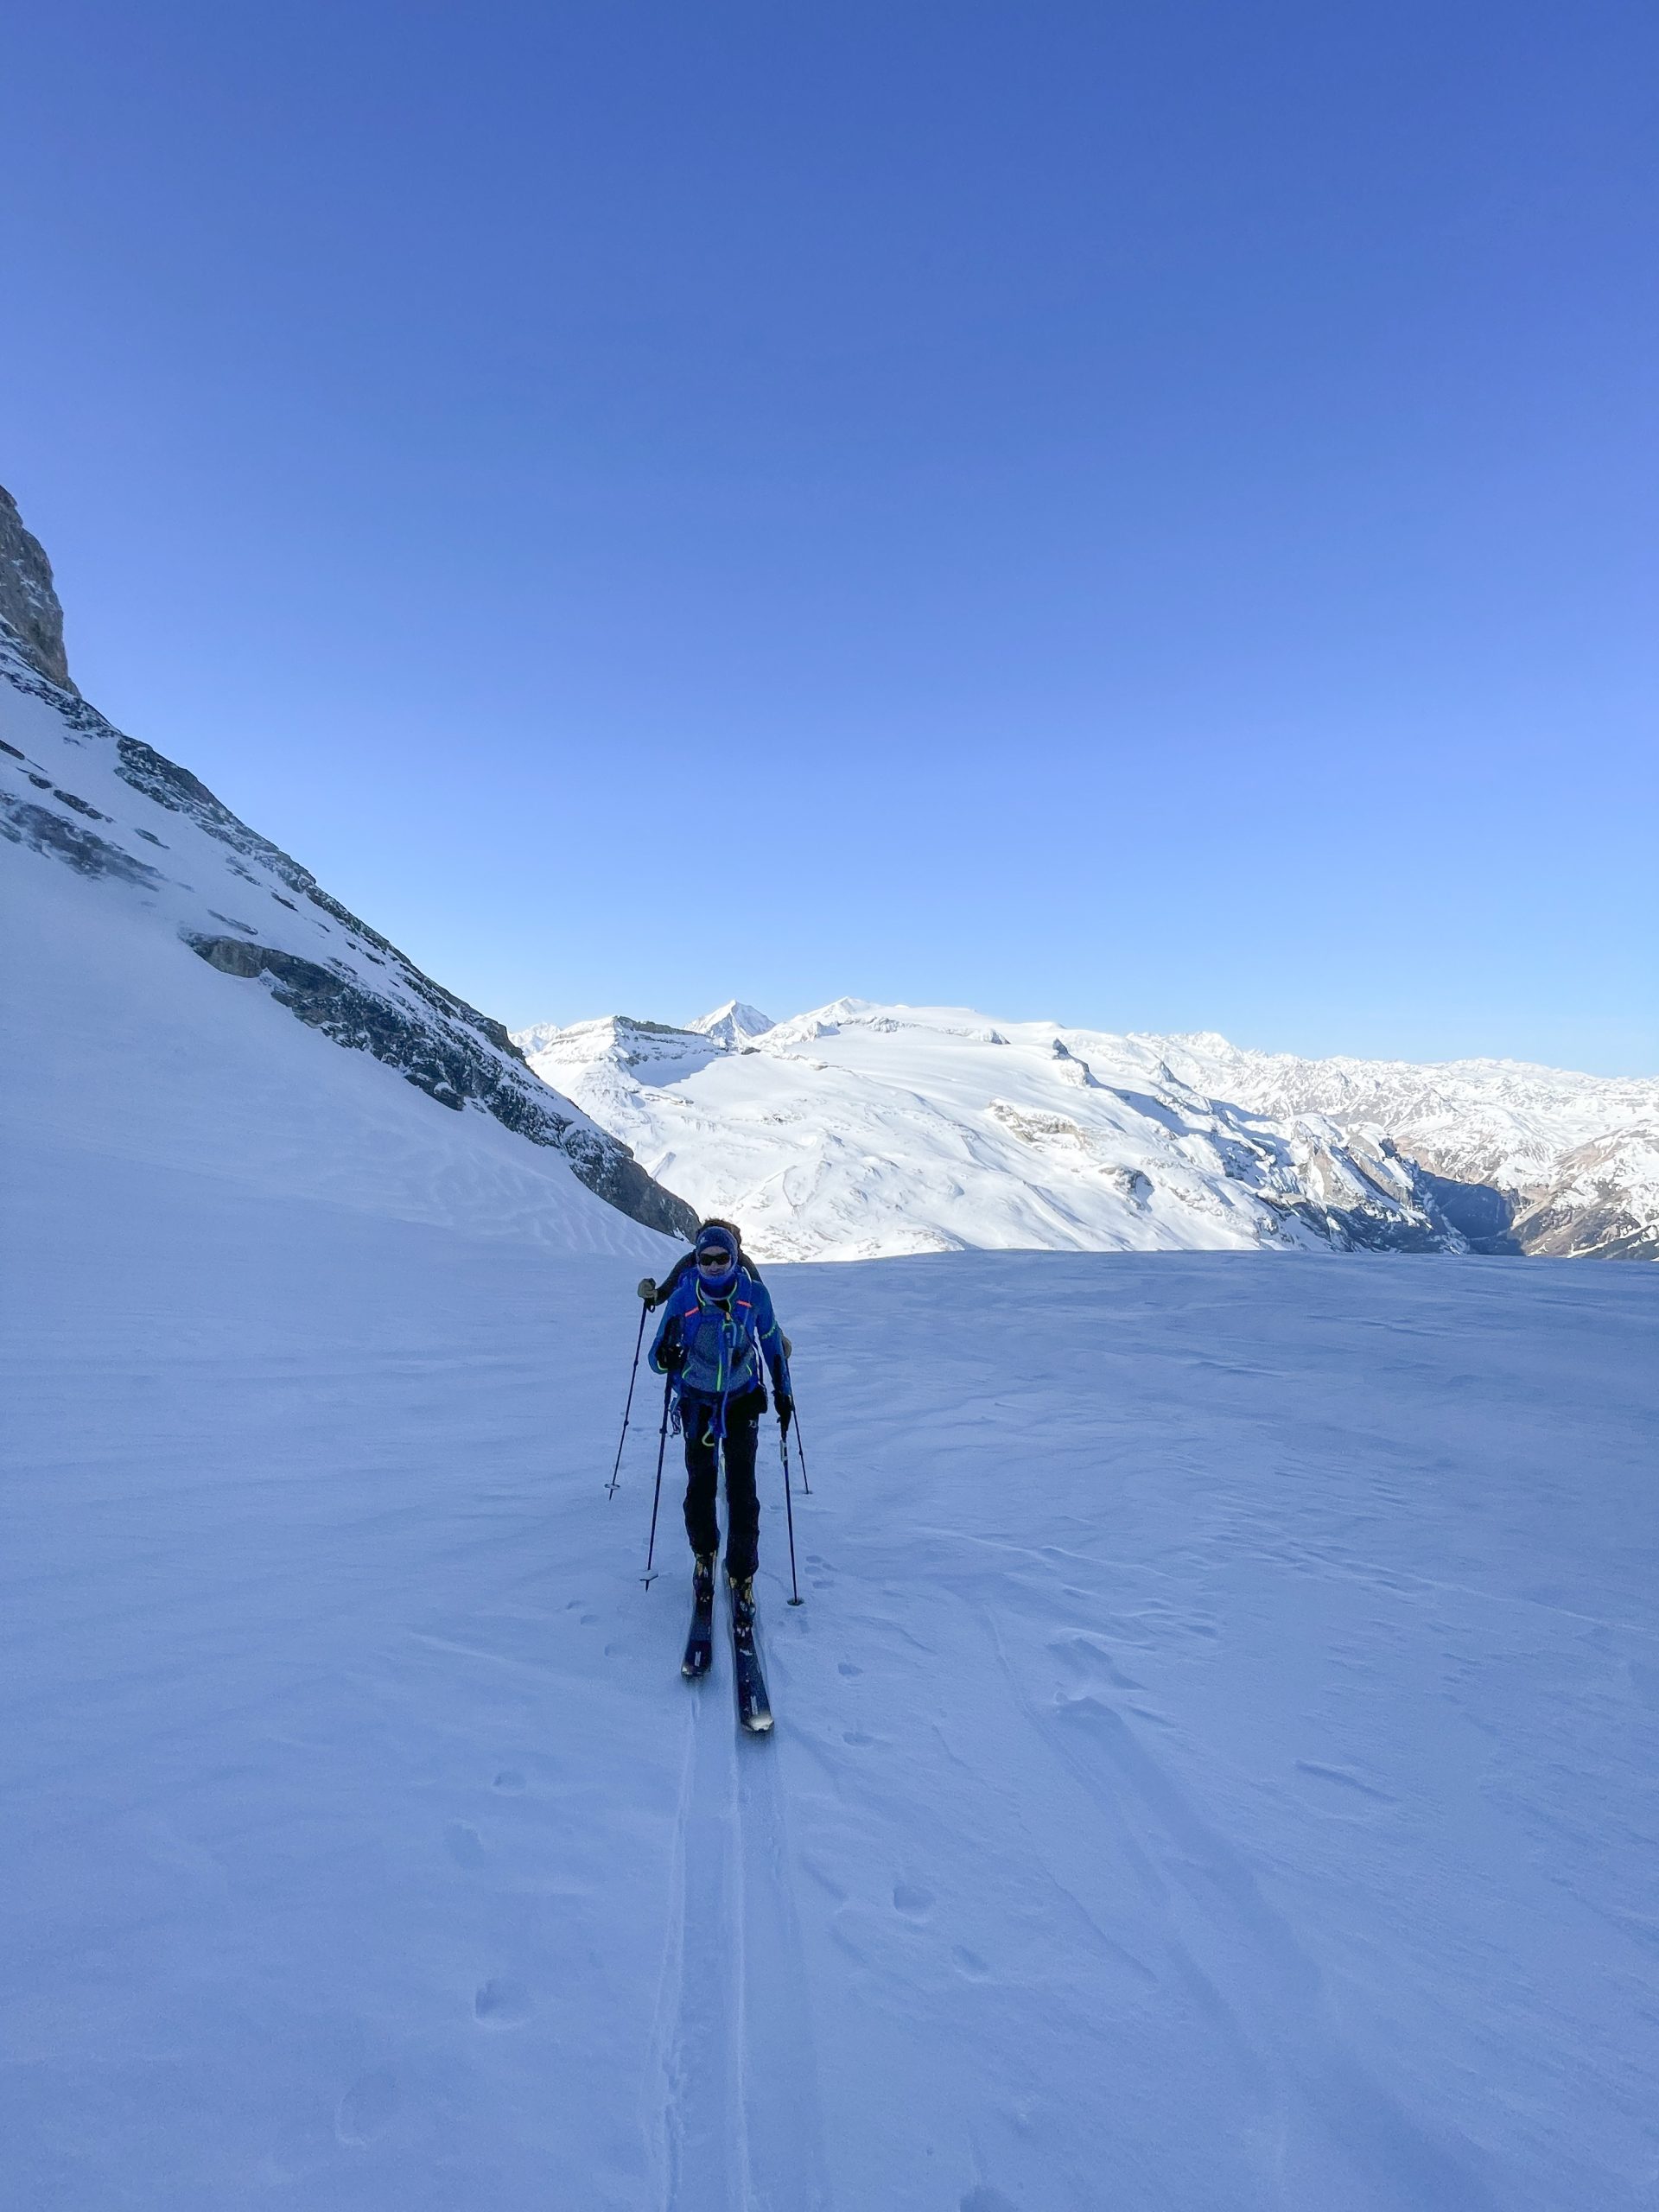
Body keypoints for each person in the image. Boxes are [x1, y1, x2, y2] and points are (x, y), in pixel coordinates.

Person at [647, 1221, 792, 1607]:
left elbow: (772, 1344)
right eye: (706, 1259)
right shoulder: (683, 1299)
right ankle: (704, 1554)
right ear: (696, 1260)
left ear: (734, 1258)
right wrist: (665, 1357)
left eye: (722, 1258)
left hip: (741, 1399)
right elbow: (655, 1358)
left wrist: (785, 1394)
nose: (714, 1266)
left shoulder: (753, 1295)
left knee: (743, 1492)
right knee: (700, 1487)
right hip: (697, 1402)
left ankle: (742, 1572)